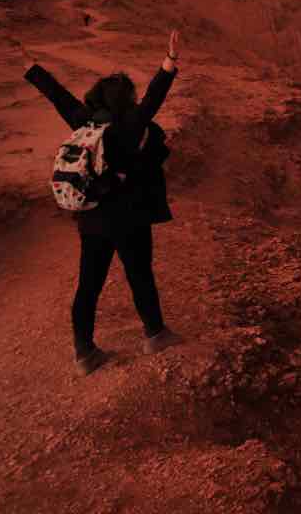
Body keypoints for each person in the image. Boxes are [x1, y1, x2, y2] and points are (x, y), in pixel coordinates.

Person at [24, 30, 185, 376]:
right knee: (140, 274)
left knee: (89, 284)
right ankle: (155, 334)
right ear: (125, 100)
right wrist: (170, 62)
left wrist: (32, 69)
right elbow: (155, 97)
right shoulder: (129, 124)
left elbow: (59, 97)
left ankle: (84, 352)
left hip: (92, 218)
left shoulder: (84, 122)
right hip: (129, 218)